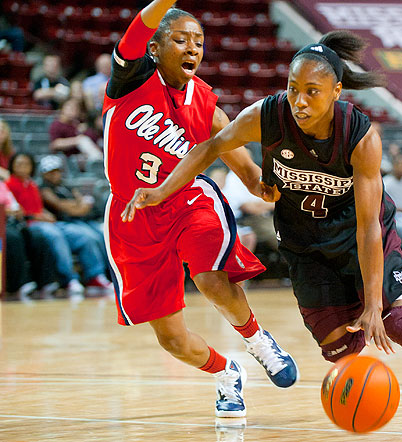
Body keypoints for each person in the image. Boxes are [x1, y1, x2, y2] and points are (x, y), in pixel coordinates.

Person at [122, 30, 402, 436]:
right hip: (305, 241)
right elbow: (209, 147)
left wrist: (371, 301)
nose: (299, 101)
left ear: (336, 91)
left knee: (389, 318)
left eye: (312, 91)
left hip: (358, 234)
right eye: (294, 89)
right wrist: (160, 191)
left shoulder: (359, 135)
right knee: (338, 348)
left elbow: (367, 227)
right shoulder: (268, 115)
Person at [102, 0, 298, 419]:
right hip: (131, 218)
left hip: (187, 202)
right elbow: (141, 24)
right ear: (155, 48)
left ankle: (258, 340)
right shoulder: (130, 80)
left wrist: (266, 187)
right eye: (181, 40)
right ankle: (227, 372)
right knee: (171, 339)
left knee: (210, 276)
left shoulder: (204, 100)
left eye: (199, 41)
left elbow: (238, 160)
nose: (193, 48)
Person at [6, 153, 109, 298]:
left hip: (49, 221)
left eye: (26, 164)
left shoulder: (32, 185)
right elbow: (17, 209)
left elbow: (40, 207)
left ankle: (96, 276)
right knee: (56, 235)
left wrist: (45, 214)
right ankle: (69, 279)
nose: (23, 168)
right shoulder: (11, 184)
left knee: (86, 236)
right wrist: (39, 215)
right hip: (30, 223)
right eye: (19, 164)